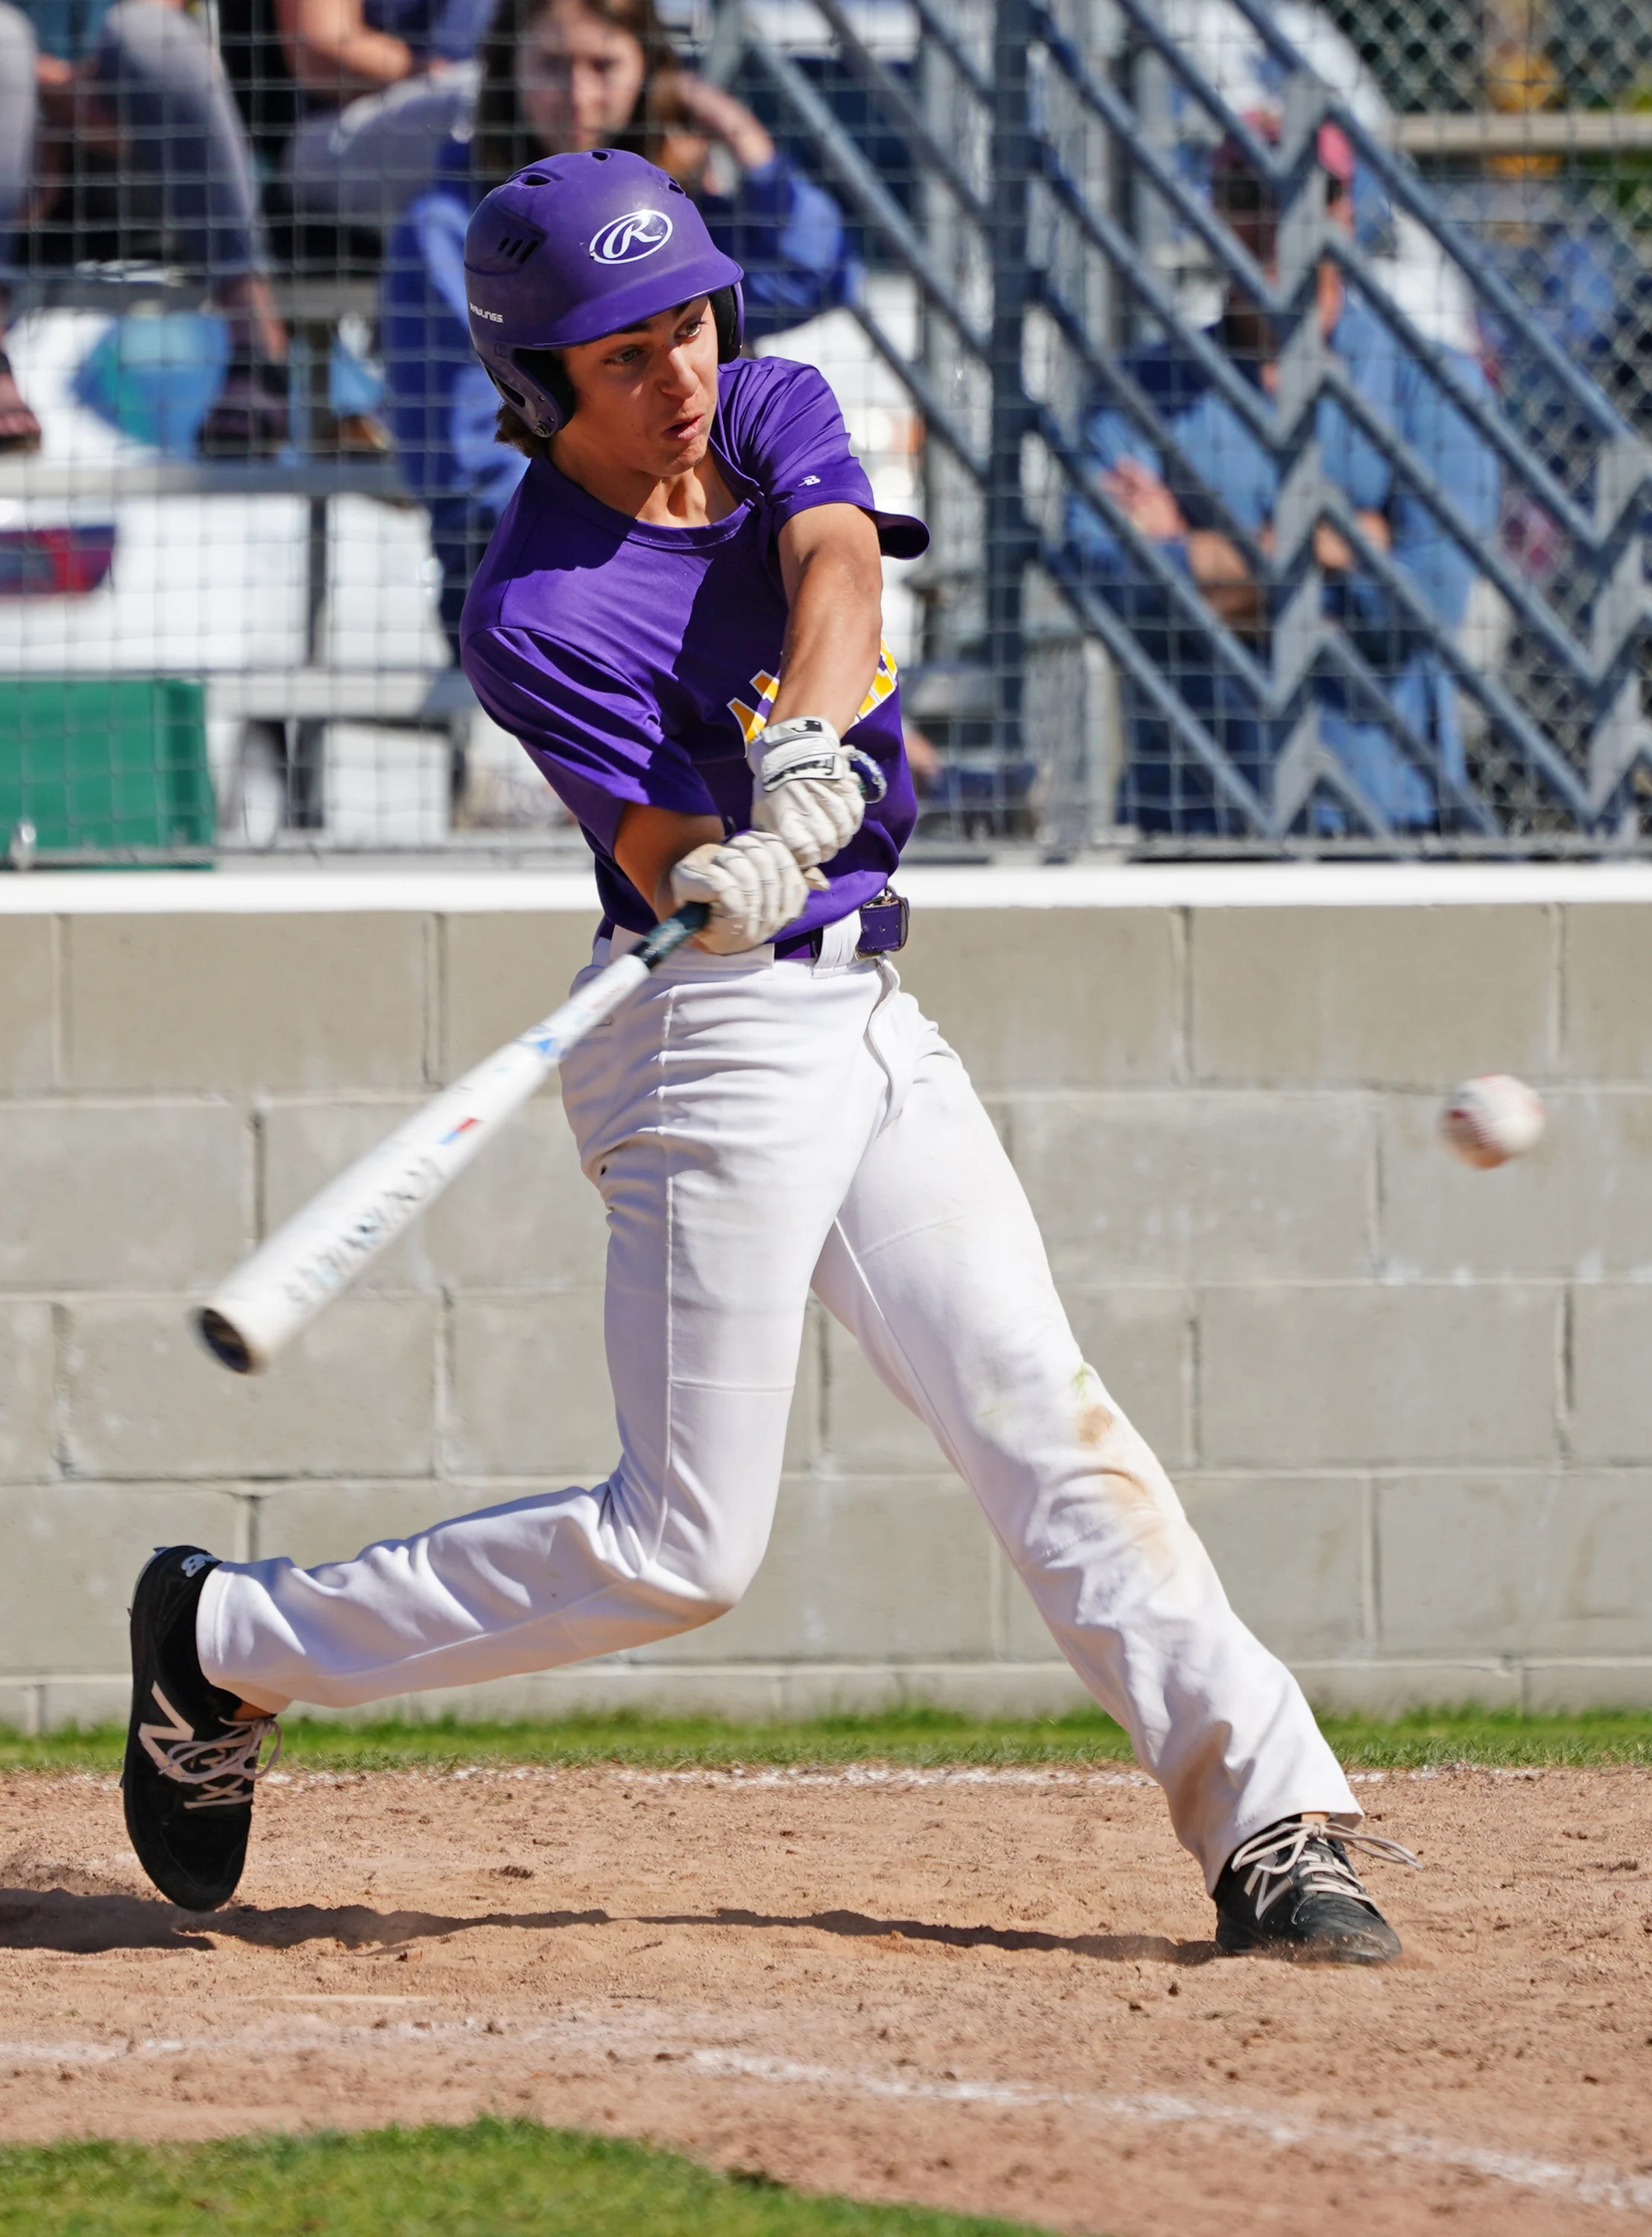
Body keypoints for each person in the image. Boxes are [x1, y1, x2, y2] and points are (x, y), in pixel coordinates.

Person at [120, 149, 1416, 1963]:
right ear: (535, 385)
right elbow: (663, 866)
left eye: (687, 323)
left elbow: (827, 562)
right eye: (625, 355)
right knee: (681, 1549)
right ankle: (227, 1637)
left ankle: (1270, 1818)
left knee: (1041, 1418)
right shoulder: (532, 611)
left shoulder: (767, 401)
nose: (680, 376)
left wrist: (803, 748)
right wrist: (717, 865)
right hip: (702, 1036)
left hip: (867, 1010)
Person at [379, 0, 859, 645]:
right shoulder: (446, 229)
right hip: (542, 580)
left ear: (649, 72)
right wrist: (644, 548)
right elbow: (461, 463)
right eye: (552, 65)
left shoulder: (665, 211)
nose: (577, 96)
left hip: (709, 555)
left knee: (850, 680)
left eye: (604, 65)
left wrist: (744, 137)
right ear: (508, 71)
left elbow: (814, 272)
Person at [1069, 119, 1501, 834]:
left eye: (1305, 194)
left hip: (1384, 817)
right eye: (1247, 192)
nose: (1273, 222)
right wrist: (1336, 544)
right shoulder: (1141, 391)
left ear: (1347, 212)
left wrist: (1197, 564)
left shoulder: (1433, 384)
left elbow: (1425, 607)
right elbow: (1106, 590)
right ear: (1213, 208)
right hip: (1192, 816)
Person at [0, 0, 290, 453]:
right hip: (23, 148)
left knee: (149, 33)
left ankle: (257, 345)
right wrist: (48, 92)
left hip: (144, 143)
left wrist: (77, 97)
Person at [274, 0, 492, 239]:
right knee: (480, 96)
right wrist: (429, 74)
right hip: (338, 129)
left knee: (512, 93)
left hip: (468, 102)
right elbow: (317, 51)